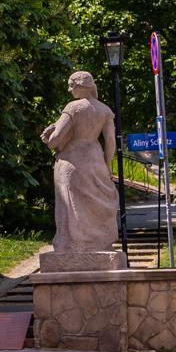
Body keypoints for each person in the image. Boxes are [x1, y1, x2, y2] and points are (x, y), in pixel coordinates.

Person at [41, 70, 120, 254]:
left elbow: (55, 139)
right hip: (95, 160)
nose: (69, 90)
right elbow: (110, 142)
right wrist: (107, 165)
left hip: (72, 161)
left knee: (71, 205)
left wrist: (48, 138)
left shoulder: (73, 107)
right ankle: (98, 245)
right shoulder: (105, 110)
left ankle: (72, 247)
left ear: (79, 86)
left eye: (71, 85)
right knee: (93, 204)